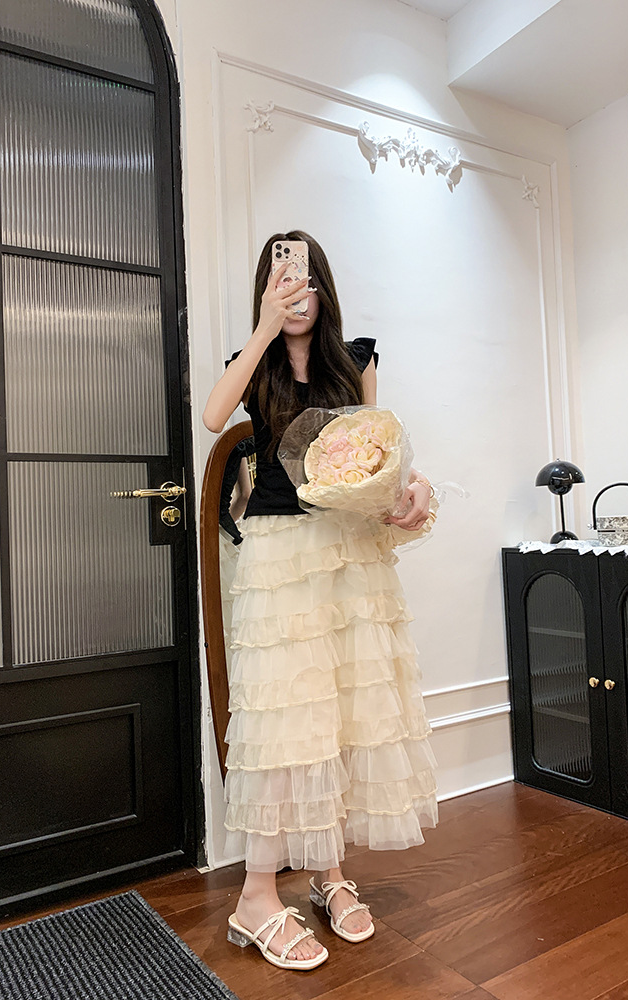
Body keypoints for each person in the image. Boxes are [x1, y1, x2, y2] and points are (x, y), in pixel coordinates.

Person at [202, 231, 439, 971]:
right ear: (266, 288)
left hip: (350, 550)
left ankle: (329, 872)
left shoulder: (356, 360)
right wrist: (265, 328)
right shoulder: (255, 361)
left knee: (343, 715)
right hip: (281, 554)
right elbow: (213, 416)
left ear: (323, 286)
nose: (294, 288)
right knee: (286, 720)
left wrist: (412, 489)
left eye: (303, 276)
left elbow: (375, 456)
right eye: (280, 276)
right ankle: (255, 895)